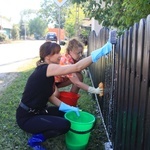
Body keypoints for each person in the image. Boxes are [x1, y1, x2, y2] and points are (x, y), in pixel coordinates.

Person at [16, 41, 112, 150]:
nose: (60, 55)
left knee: (68, 114)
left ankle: (44, 125)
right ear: (47, 56)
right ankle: (36, 139)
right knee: (64, 125)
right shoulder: (47, 68)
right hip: (27, 118)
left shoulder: (47, 71)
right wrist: (102, 51)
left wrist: (69, 108)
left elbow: (51, 97)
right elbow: (77, 67)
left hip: (40, 112)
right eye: (56, 53)